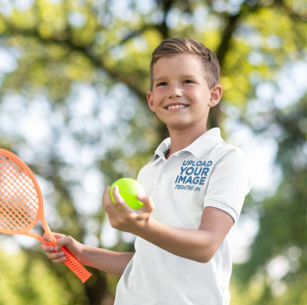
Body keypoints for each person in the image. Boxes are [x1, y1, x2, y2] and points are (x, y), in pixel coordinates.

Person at [42, 36, 250, 304]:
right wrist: (82, 253)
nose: (174, 91)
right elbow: (148, 261)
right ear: (151, 100)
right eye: (163, 83)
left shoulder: (227, 159)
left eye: (187, 81)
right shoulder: (148, 171)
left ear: (214, 95)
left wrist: (143, 226)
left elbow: (206, 245)